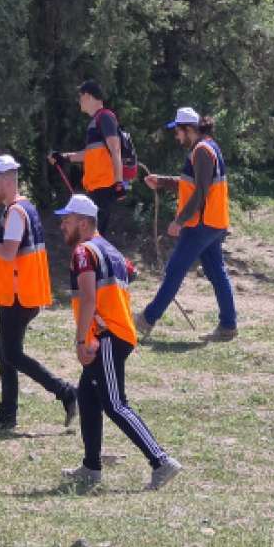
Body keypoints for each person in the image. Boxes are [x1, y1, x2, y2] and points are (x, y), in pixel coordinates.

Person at [55, 194, 183, 490]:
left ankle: (161, 461)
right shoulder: (109, 249)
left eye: (68, 219)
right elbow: (128, 276)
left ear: (84, 223)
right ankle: (91, 468)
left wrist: (80, 341)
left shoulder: (84, 251)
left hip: (107, 337)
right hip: (113, 334)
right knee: (87, 397)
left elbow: (88, 298)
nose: (62, 225)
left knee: (114, 404)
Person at [0, 155, 76, 430]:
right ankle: (7, 414)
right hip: (23, 293)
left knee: (11, 354)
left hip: (19, 295)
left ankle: (66, 392)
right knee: (3, 352)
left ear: (7, 180)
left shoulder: (15, 212)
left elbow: (7, 252)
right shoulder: (24, 208)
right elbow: (9, 249)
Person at [136, 107, 238, 343]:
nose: (176, 136)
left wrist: (179, 221)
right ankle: (228, 325)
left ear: (188, 129)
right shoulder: (208, 147)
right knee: (216, 272)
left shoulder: (201, 151)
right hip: (214, 222)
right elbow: (190, 185)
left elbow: (201, 192)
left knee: (174, 270)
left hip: (201, 225)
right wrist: (161, 181)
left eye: (178, 131)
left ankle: (146, 320)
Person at [47, 80, 126, 237]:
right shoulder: (96, 121)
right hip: (97, 188)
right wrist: (64, 157)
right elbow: (89, 154)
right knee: (93, 237)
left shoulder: (105, 117)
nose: (79, 101)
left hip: (104, 187)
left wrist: (119, 183)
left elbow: (115, 149)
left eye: (80, 96)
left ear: (88, 96)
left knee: (94, 238)